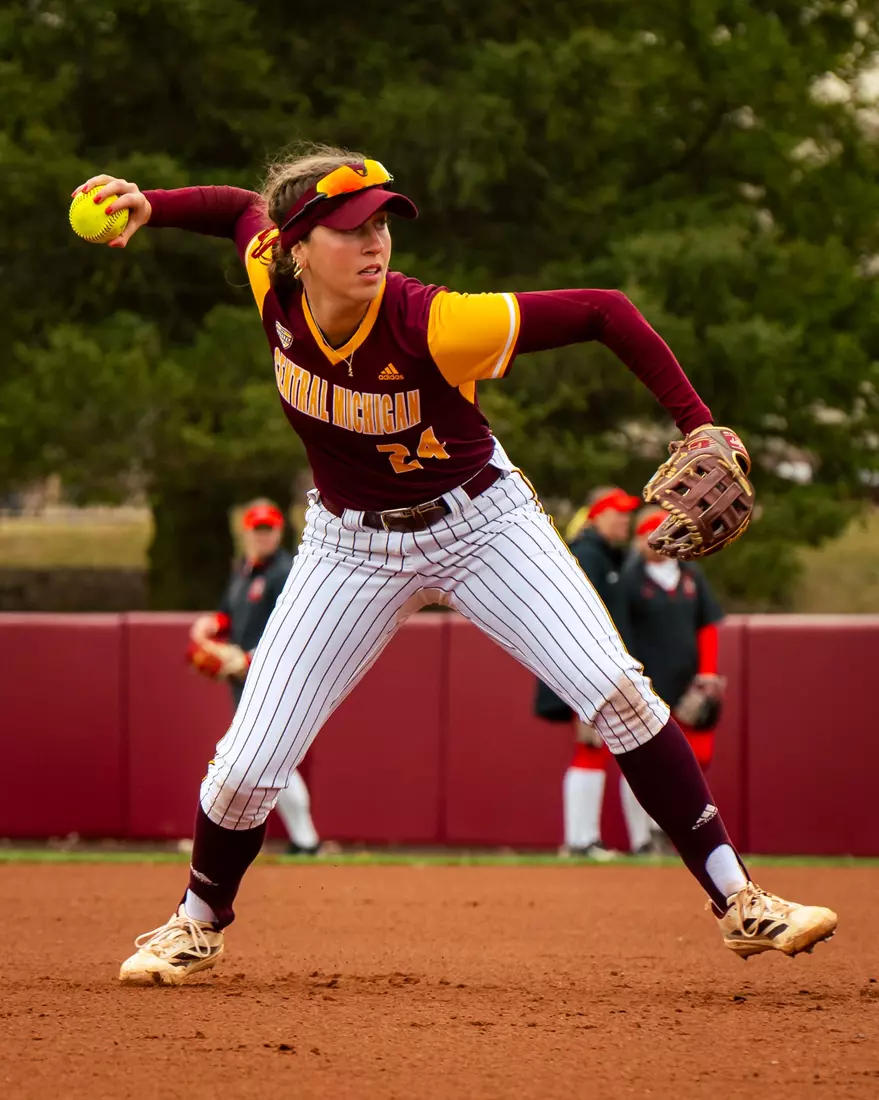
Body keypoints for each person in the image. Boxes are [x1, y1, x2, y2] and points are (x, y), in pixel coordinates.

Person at [71, 145, 836, 986]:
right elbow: (233, 206)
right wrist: (154, 204)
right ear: (296, 246)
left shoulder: (433, 321)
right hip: (348, 546)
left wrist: (698, 423)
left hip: (480, 525)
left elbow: (604, 311)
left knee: (616, 691)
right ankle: (197, 921)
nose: (374, 242)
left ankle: (739, 901)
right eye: (349, 228)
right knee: (249, 764)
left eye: (381, 223)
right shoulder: (269, 274)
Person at [188, 500, 321, 856]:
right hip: (245, 678)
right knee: (267, 755)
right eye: (257, 529)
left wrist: (249, 657)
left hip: (272, 673)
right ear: (246, 532)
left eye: (269, 529)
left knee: (269, 754)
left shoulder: (285, 572)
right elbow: (228, 614)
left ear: (278, 532)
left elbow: (294, 626)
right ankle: (305, 841)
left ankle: (306, 840)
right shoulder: (244, 570)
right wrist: (212, 625)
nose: (263, 536)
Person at [533, 486, 640, 859]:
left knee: (597, 749)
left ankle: (583, 840)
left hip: (593, 670)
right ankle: (581, 841)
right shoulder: (587, 555)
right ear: (597, 515)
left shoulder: (607, 555)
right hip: (585, 670)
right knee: (591, 748)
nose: (625, 521)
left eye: (628, 514)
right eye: (618, 513)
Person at [617, 507, 727, 854]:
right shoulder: (630, 580)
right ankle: (642, 838)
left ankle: (674, 829)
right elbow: (621, 634)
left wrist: (708, 672)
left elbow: (707, 625)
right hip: (648, 681)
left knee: (694, 757)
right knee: (642, 760)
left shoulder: (691, 575)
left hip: (687, 681)